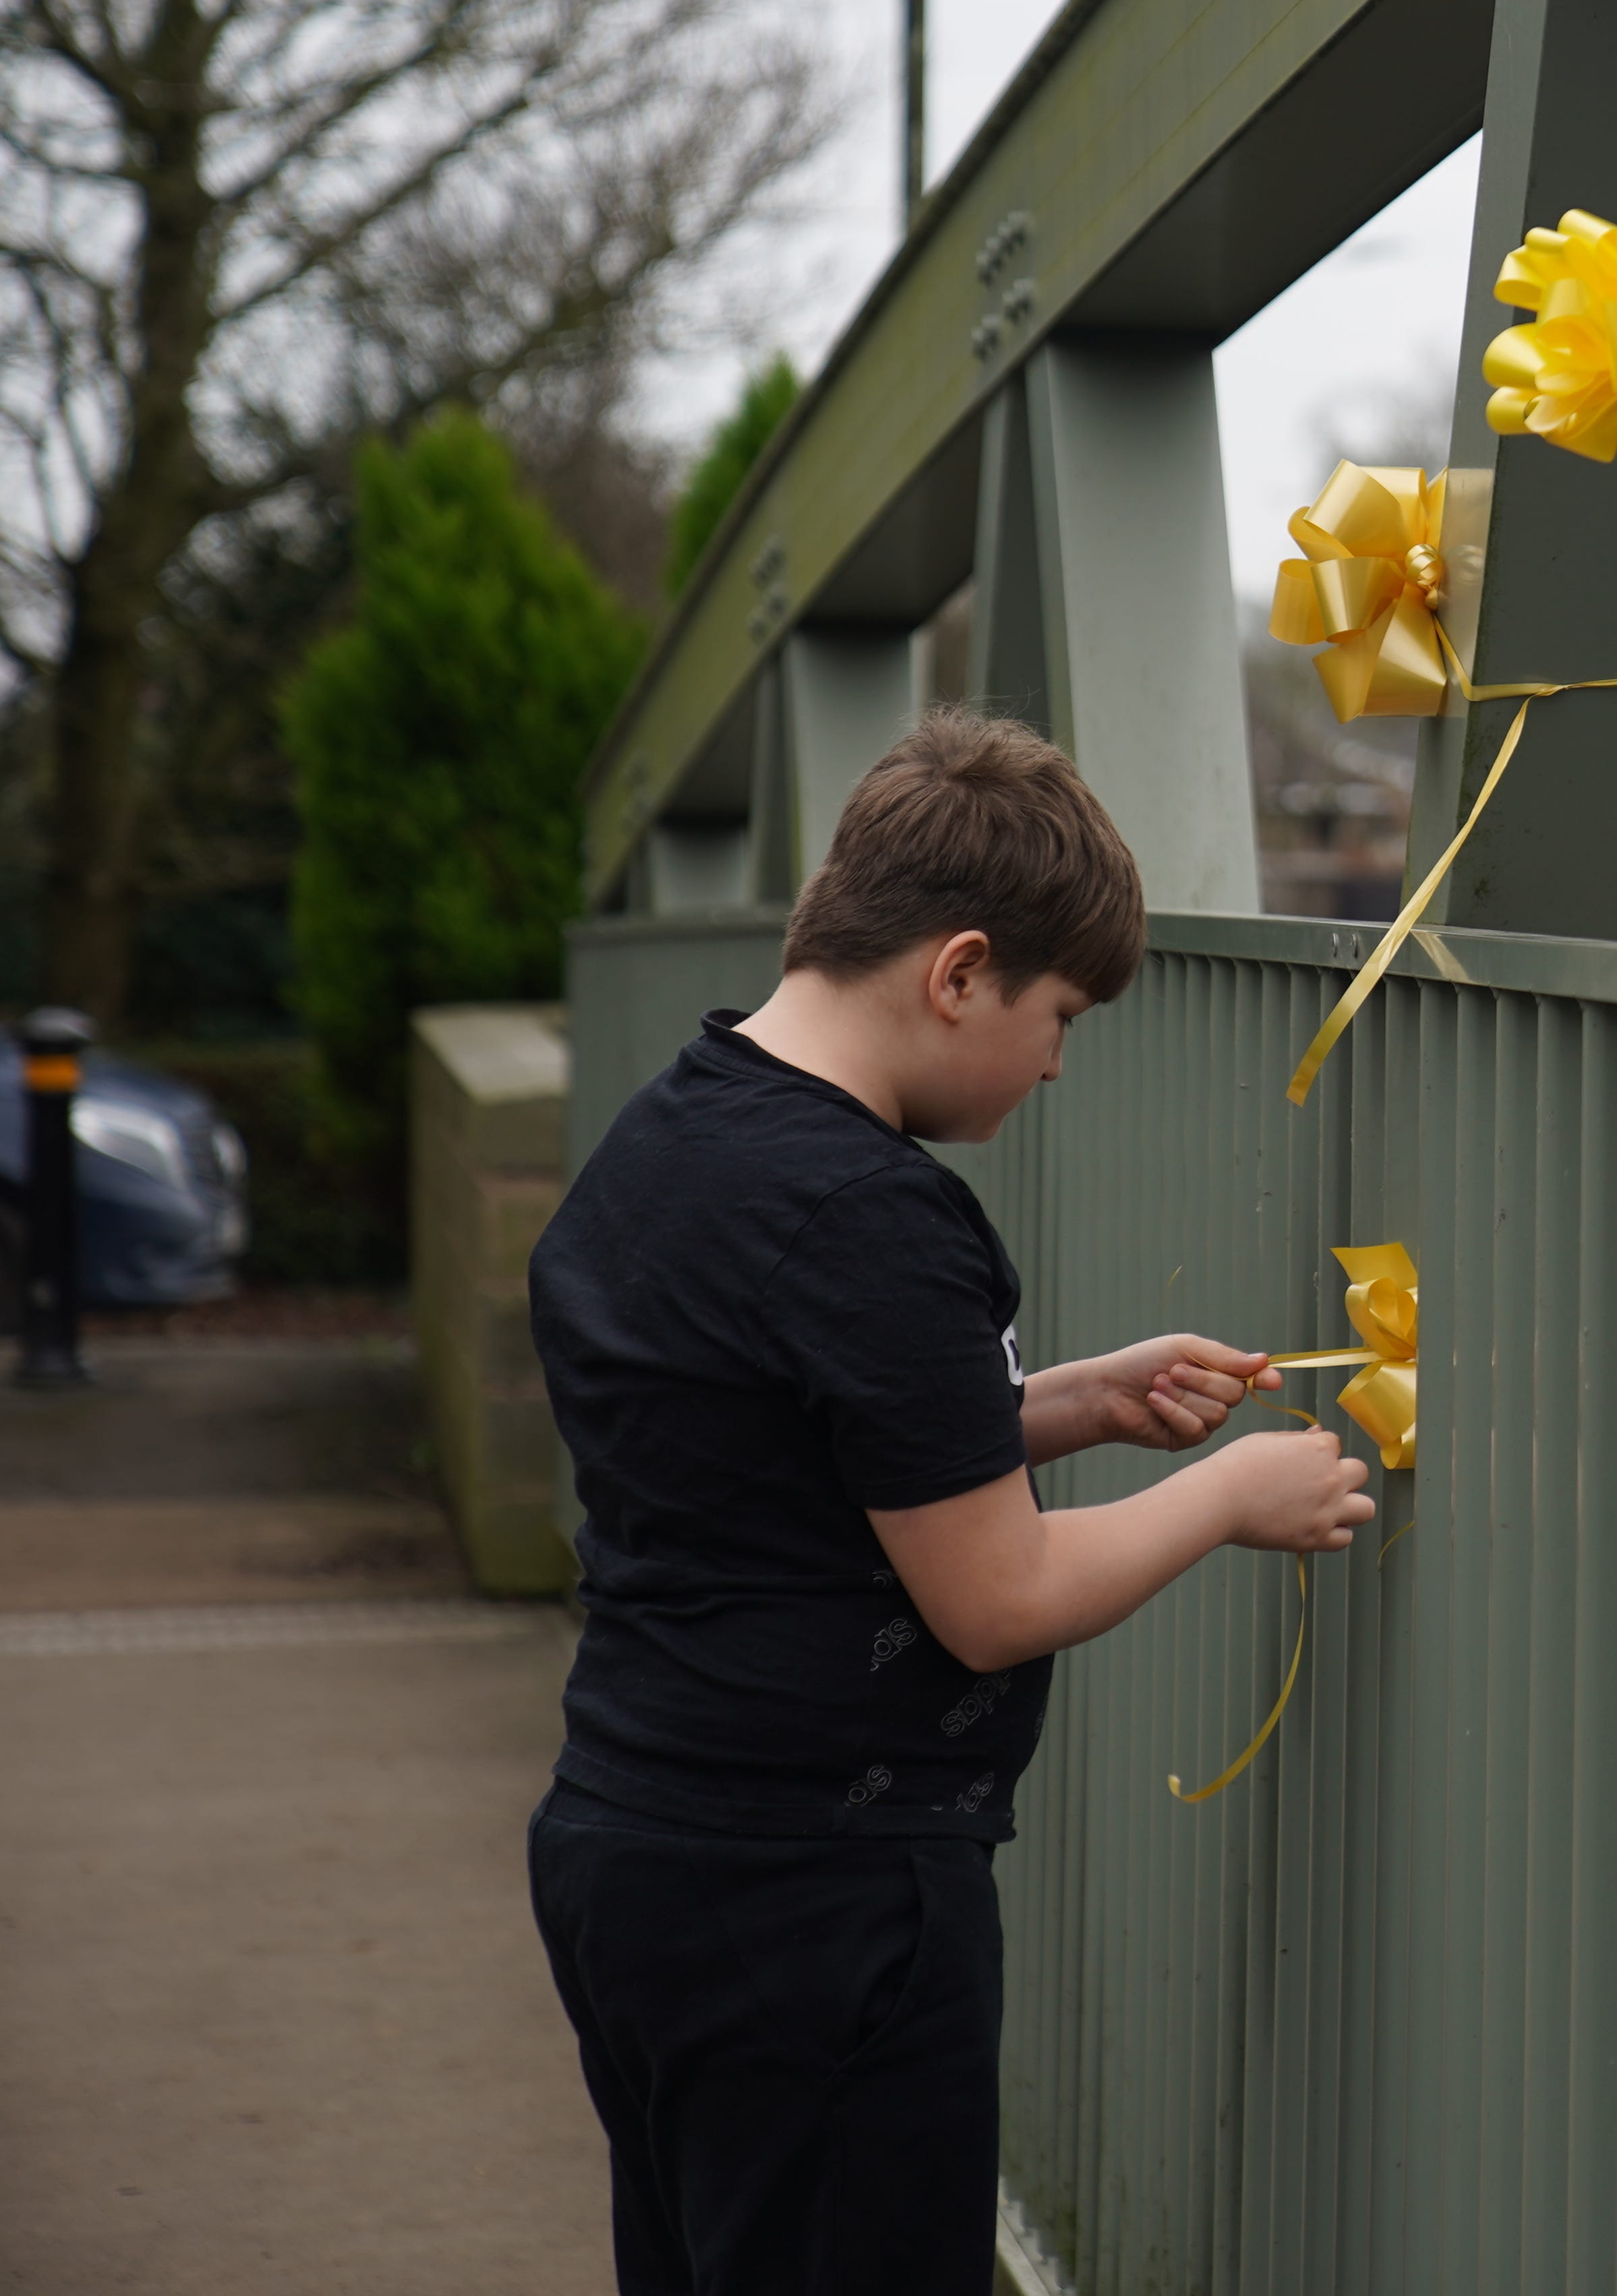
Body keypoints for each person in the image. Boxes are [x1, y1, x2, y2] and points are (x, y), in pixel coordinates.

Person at [522, 708, 1374, 2294]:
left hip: (635, 1844)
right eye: (1060, 1012)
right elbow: (996, 1597)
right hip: (817, 1903)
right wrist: (1227, 1490)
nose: (1058, 1057)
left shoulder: (673, 1136)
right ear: (959, 969)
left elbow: (778, 1444)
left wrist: (1063, 1405)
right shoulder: (875, 1216)